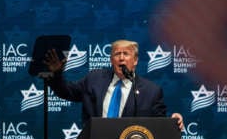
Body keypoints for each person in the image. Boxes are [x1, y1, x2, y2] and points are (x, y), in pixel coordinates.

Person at [44, 39, 183, 129]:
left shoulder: (151, 91)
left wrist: (172, 122)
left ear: (135, 60)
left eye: (126, 54)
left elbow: (159, 123)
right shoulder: (94, 79)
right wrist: (56, 74)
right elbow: (66, 91)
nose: (121, 58)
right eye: (117, 54)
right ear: (111, 60)